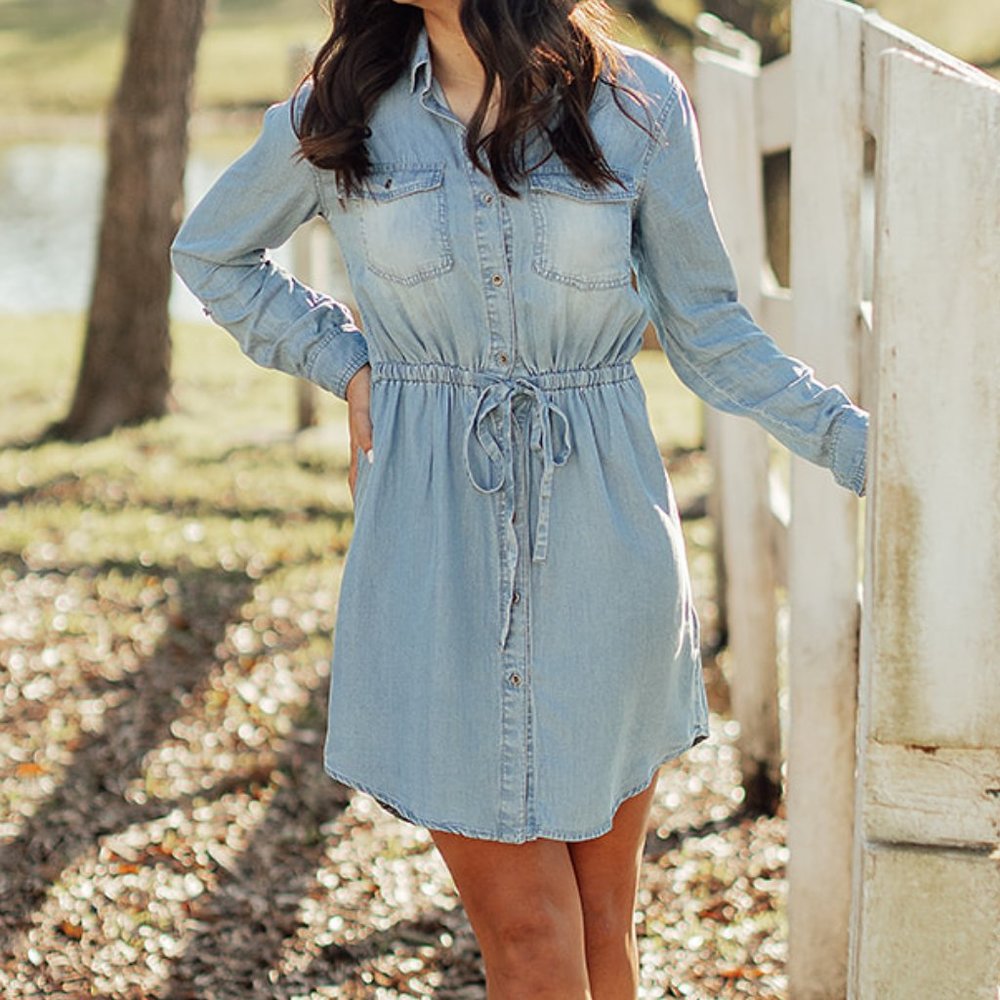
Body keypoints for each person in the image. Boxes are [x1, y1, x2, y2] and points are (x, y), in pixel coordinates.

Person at [171, 0, 868, 995]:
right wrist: (346, 362)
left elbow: (707, 332)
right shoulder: (341, 110)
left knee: (600, 931)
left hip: (604, 549)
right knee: (530, 933)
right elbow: (212, 253)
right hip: (431, 553)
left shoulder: (635, 105)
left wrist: (855, 444)